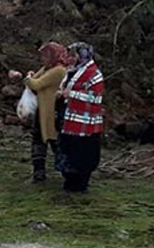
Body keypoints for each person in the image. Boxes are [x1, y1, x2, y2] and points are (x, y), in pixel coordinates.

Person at [9, 42, 72, 182]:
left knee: (55, 141)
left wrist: (26, 78)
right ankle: (39, 172)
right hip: (42, 110)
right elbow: (33, 82)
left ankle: (68, 173)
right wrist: (28, 77)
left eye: (45, 55)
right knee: (38, 139)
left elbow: (36, 84)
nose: (42, 58)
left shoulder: (59, 71)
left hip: (52, 112)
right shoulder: (47, 68)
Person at [59, 42, 104, 193]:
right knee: (70, 150)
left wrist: (71, 94)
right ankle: (71, 182)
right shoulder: (75, 71)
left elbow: (96, 98)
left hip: (86, 122)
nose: (71, 58)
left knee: (84, 153)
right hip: (72, 120)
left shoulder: (94, 74)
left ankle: (80, 184)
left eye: (74, 55)